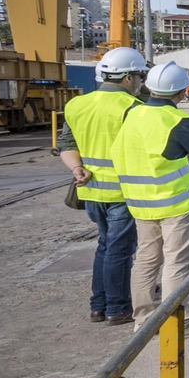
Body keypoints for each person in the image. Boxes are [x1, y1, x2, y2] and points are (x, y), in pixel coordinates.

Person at [113, 61, 189, 323]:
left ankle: (143, 321)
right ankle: (177, 322)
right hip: (175, 204)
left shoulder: (133, 114)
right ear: (182, 92)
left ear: (149, 88)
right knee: (176, 263)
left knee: (146, 261)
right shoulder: (179, 120)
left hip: (140, 203)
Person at [58, 47, 148, 326]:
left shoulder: (77, 105)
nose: (141, 82)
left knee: (105, 246)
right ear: (128, 78)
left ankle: (98, 305)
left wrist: (77, 169)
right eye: (139, 76)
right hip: (123, 191)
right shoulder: (134, 108)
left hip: (90, 190)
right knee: (120, 250)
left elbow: (66, 146)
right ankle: (118, 308)